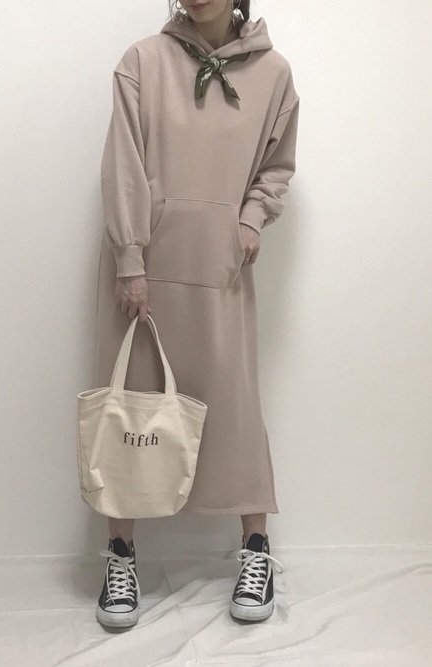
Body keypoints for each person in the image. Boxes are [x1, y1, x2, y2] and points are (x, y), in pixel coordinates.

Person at [94, 0, 299, 628]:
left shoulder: (274, 73)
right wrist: (130, 256)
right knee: (132, 409)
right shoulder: (141, 61)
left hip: (221, 265)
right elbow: (124, 164)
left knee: (233, 407)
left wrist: (251, 219)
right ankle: (120, 555)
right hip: (145, 265)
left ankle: (256, 548)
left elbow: (276, 165)